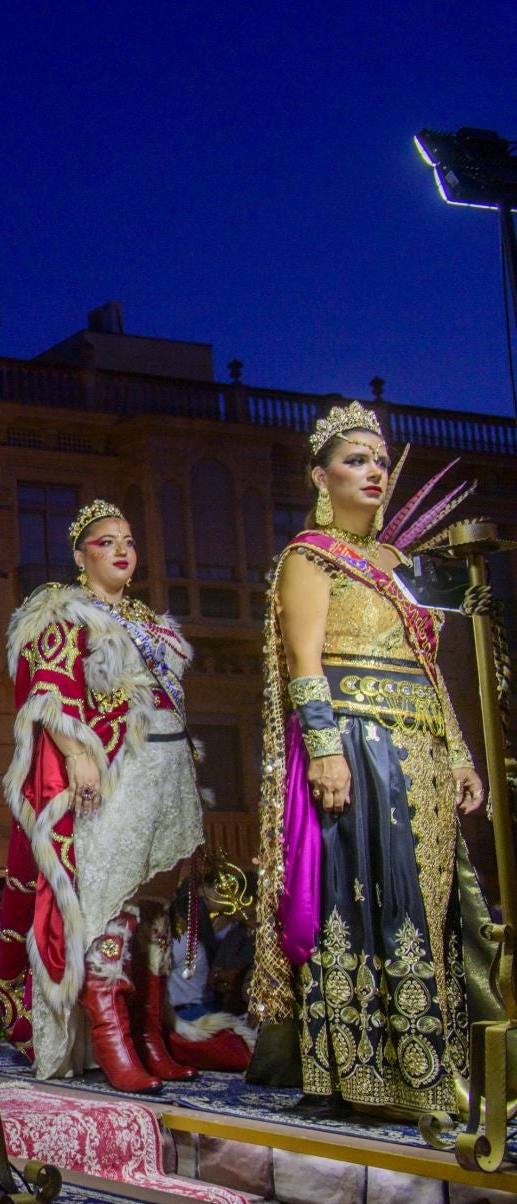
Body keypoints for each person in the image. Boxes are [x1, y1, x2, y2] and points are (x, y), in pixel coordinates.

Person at [248, 404, 484, 1118]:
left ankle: (435, 1069)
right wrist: (324, 750)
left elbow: (430, 668)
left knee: (434, 907)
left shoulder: (396, 568)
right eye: (355, 459)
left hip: (421, 748)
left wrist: (461, 752)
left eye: (379, 458)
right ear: (321, 476)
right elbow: (305, 660)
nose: (373, 469)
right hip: (357, 746)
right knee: (372, 896)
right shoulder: (309, 556)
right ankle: (367, 1076)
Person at [0, 499, 240, 1094]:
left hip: (169, 773)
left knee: (156, 909)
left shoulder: (151, 624)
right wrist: (78, 754)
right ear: (81, 556)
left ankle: (148, 1034)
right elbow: (47, 693)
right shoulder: (63, 614)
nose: (122, 549)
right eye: (106, 542)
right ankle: (111, 1042)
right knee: (112, 905)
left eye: (128, 539)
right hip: (115, 775)